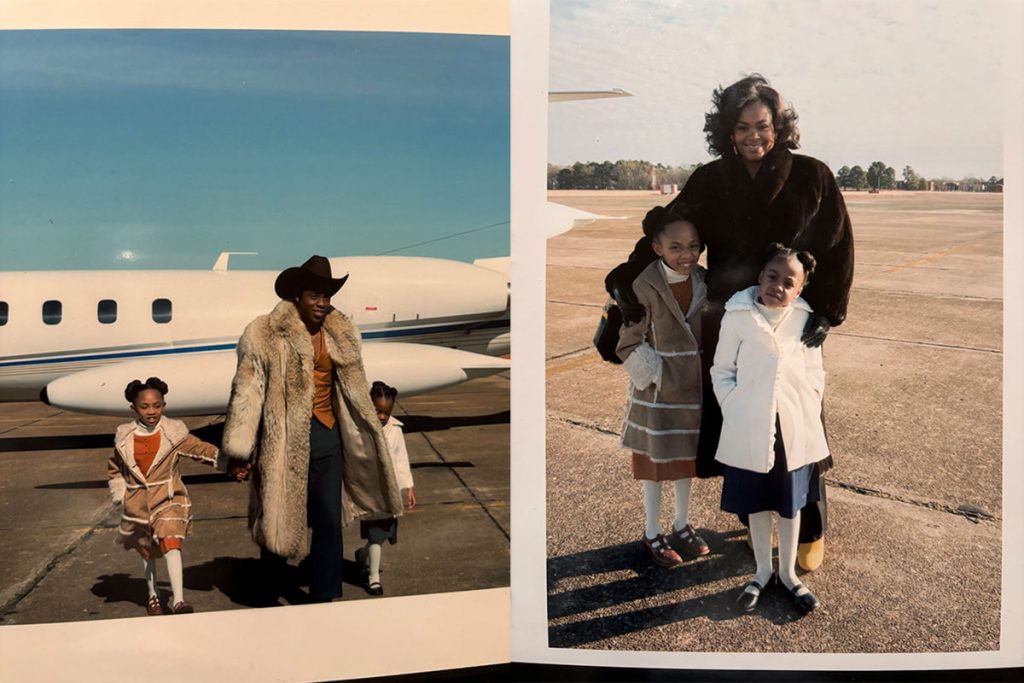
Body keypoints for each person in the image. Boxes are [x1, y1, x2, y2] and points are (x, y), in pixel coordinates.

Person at [605, 74, 854, 571]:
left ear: (780, 127)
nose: (753, 137)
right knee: (744, 420)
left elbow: (838, 246)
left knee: (798, 423)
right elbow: (667, 228)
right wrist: (625, 280)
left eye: (762, 126)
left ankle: (810, 526)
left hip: (792, 320)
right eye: (741, 127)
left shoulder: (813, 175)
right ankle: (754, 517)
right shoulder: (711, 179)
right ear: (727, 130)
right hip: (732, 319)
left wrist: (827, 311)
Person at [222, 255, 403, 603]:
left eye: (326, 296)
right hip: (283, 437)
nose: (322, 303)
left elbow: (351, 387)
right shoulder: (263, 333)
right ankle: (271, 590)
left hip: (328, 435)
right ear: (297, 297)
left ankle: (325, 593)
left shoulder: (341, 331)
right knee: (278, 513)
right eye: (314, 296)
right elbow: (247, 391)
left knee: (328, 518)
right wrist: (239, 450)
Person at [712, 245, 829, 613]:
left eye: (788, 282)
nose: (778, 285)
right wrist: (734, 405)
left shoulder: (805, 320)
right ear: (760, 277)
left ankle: (789, 575)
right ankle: (761, 572)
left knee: (790, 504)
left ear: (800, 290)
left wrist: (809, 398)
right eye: (772, 277)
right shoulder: (737, 316)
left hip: (794, 427)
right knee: (759, 504)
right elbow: (722, 370)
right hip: (750, 423)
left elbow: (815, 371)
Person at [616, 204, 710, 567]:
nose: (686, 255)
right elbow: (627, 342)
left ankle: (682, 524)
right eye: (676, 247)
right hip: (657, 395)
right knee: (655, 466)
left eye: (693, 246)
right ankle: (652, 531)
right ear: (657, 248)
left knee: (685, 462)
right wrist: (659, 374)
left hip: (693, 392)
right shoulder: (643, 286)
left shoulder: (703, 280)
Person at [107, 376, 230, 615]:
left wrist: (230, 462)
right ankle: (153, 595)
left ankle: (178, 600)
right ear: (134, 408)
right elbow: (115, 468)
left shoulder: (174, 433)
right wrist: (121, 494)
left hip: (168, 498)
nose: (151, 411)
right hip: (138, 505)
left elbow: (200, 449)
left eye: (157, 405)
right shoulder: (124, 437)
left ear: (163, 405)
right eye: (144, 407)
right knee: (147, 552)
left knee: (171, 542)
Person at [355, 380, 416, 595]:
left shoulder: (395, 430)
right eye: (378, 411)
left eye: (386, 412)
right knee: (376, 533)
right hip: (370, 489)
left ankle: (361, 556)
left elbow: (401, 459)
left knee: (381, 535)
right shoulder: (360, 427)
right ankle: (374, 578)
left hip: (390, 491)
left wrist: (408, 487)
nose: (382, 416)